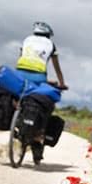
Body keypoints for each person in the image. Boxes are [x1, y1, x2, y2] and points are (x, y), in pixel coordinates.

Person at [16, 21, 67, 163]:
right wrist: (61, 83)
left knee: (20, 97)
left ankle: (17, 119)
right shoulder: (51, 45)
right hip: (39, 77)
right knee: (45, 106)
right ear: (48, 35)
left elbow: (21, 59)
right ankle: (38, 136)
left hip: (20, 73)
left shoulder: (27, 40)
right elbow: (57, 67)